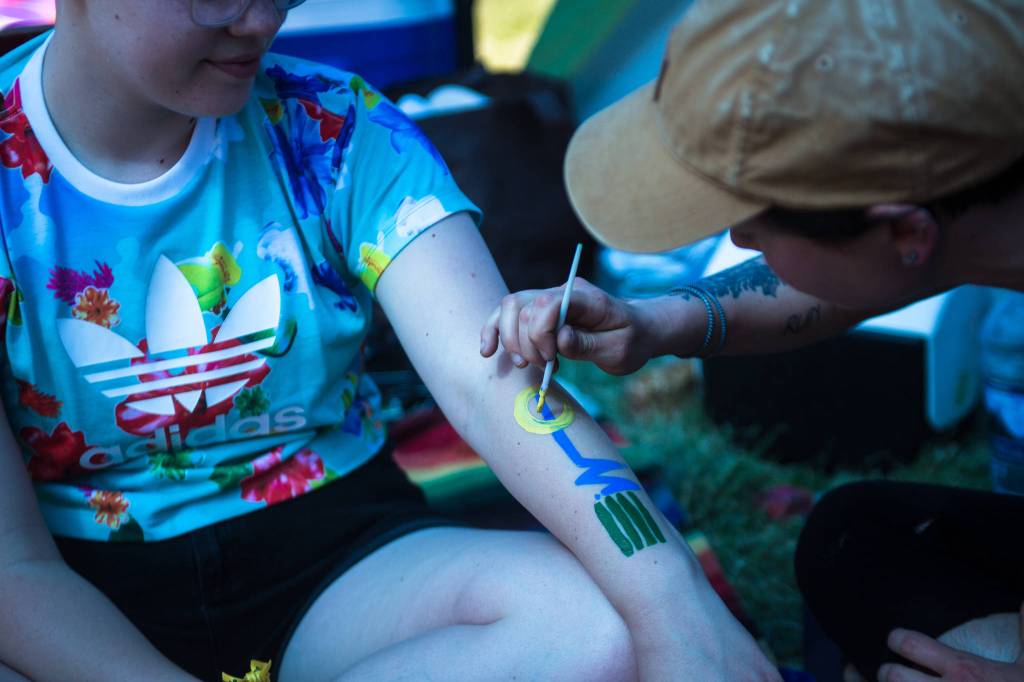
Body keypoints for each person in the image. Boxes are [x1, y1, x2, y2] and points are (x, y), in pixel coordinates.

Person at [0, 1, 784, 681]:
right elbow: (14, 567)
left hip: (333, 561)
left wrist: (673, 602)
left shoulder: (334, 128)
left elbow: (491, 384)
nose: (265, 20)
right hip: (75, 586)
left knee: (600, 635)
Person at [480, 0, 1024, 679]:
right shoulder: (971, 209)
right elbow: (831, 279)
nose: (737, 241)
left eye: (753, 223)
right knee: (849, 536)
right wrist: (651, 324)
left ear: (907, 232)